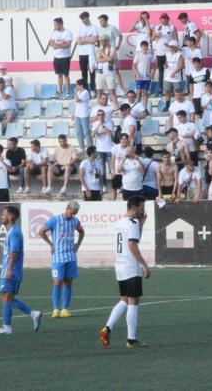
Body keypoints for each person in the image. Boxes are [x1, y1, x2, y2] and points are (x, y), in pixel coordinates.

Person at [100, 195, 150, 349]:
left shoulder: (121, 222)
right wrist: (144, 265)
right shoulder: (132, 223)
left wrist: (141, 224)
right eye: (141, 208)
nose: (142, 211)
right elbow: (132, 245)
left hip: (119, 266)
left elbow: (133, 239)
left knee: (124, 300)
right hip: (130, 266)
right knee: (133, 302)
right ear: (134, 207)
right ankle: (131, 339)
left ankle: (107, 328)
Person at [0, 206, 42, 335]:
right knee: (8, 298)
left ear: (11, 217)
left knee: (6, 297)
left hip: (11, 270)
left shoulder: (14, 232)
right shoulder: (12, 231)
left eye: (4, 214)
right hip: (10, 269)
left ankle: (7, 326)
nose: (2, 216)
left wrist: (9, 269)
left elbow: (14, 252)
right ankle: (33, 314)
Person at [38, 201, 85, 318]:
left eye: (75, 214)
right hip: (58, 257)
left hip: (71, 257)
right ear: (67, 208)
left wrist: (78, 244)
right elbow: (41, 231)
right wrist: (50, 244)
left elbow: (81, 232)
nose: (73, 216)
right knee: (57, 282)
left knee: (68, 282)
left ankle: (65, 309)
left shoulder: (75, 221)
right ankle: (55, 309)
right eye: (72, 213)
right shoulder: (55, 220)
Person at [97, 14, 125, 94]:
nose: (101, 22)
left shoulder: (112, 28)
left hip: (111, 51)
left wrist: (118, 46)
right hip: (102, 51)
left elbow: (120, 36)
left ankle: (121, 89)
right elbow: (98, 39)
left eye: (102, 21)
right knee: (103, 71)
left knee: (115, 70)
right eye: (100, 21)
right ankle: (106, 90)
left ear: (106, 20)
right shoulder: (98, 29)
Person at [153, 12, 178, 95]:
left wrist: (174, 49)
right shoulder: (157, 27)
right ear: (160, 20)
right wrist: (156, 35)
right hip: (159, 52)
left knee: (171, 70)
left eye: (165, 18)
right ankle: (160, 89)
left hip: (169, 53)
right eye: (162, 19)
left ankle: (172, 89)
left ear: (168, 19)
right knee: (161, 71)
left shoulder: (172, 27)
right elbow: (152, 38)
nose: (163, 20)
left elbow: (176, 40)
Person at [49, 17, 73, 99]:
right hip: (56, 57)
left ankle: (68, 92)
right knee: (59, 75)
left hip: (65, 57)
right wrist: (61, 44)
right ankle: (60, 91)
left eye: (56, 24)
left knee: (66, 75)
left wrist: (57, 45)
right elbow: (51, 44)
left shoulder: (68, 32)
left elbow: (68, 44)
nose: (54, 26)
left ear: (60, 24)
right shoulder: (54, 33)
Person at [76, 11, 98, 94]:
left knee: (92, 71)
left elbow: (94, 40)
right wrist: (88, 39)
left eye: (84, 19)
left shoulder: (94, 27)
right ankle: (85, 89)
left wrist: (83, 39)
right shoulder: (80, 28)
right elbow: (78, 41)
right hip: (82, 53)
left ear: (88, 17)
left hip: (90, 53)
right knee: (83, 72)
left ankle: (92, 89)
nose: (83, 21)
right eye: (82, 20)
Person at [92, 109, 113, 192]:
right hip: (100, 150)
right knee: (102, 170)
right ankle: (104, 186)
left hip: (109, 149)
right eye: (99, 115)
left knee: (112, 170)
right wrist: (99, 125)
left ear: (104, 116)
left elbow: (109, 134)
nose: (100, 116)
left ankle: (115, 186)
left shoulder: (109, 123)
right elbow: (93, 134)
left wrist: (104, 126)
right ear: (97, 116)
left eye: (102, 115)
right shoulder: (95, 124)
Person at [96, 34, 118, 103]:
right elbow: (99, 60)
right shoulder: (99, 49)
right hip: (100, 72)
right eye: (101, 41)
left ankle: (115, 107)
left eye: (103, 41)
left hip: (109, 72)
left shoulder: (112, 48)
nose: (102, 42)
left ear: (107, 41)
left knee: (111, 91)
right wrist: (107, 58)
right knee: (99, 91)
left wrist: (101, 54)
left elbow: (110, 59)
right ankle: (99, 106)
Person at [72, 79, 93, 152]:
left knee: (86, 131)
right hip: (77, 114)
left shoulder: (85, 92)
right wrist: (73, 113)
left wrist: (75, 93)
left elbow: (78, 100)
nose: (76, 86)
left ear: (81, 85)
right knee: (78, 132)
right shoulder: (78, 92)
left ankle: (90, 147)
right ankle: (82, 147)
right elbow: (76, 104)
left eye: (77, 85)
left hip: (84, 114)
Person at [163, 40, 184, 110]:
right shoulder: (167, 54)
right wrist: (165, 65)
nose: (171, 47)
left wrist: (174, 72)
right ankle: (167, 106)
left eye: (172, 46)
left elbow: (181, 66)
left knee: (178, 93)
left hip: (176, 78)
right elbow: (166, 63)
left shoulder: (179, 55)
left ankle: (178, 106)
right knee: (167, 91)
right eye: (170, 46)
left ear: (175, 47)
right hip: (168, 77)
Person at [133, 41, 155, 107]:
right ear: (141, 47)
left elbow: (154, 65)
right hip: (139, 77)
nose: (145, 47)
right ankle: (137, 107)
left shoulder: (150, 55)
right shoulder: (138, 55)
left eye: (146, 46)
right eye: (144, 46)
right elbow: (134, 65)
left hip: (147, 77)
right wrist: (137, 74)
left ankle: (144, 108)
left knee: (145, 93)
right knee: (139, 92)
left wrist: (152, 74)